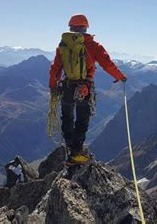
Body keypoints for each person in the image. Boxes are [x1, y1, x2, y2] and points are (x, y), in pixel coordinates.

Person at [49, 14, 127, 163]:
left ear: (71, 28)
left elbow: (55, 69)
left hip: (67, 86)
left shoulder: (63, 45)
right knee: (82, 120)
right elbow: (107, 64)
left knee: (67, 117)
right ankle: (76, 153)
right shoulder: (93, 45)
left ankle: (69, 147)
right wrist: (120, 76)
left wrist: (53, 86)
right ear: (85, 27)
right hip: (84, 89)